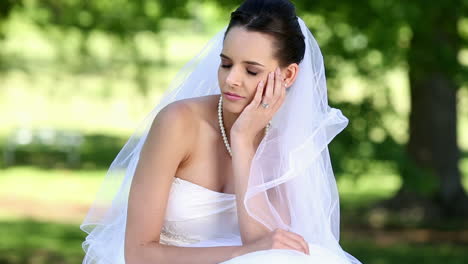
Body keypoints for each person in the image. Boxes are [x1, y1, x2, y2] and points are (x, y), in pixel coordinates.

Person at [80, 0, 362, 263]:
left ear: (287, 76)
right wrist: (242, 252)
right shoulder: (178, 123)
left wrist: (243, 142)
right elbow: (138, 253)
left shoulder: (284, 142)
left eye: (251, 71)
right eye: (226, 64)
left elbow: (268, 247)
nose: (231, 80)